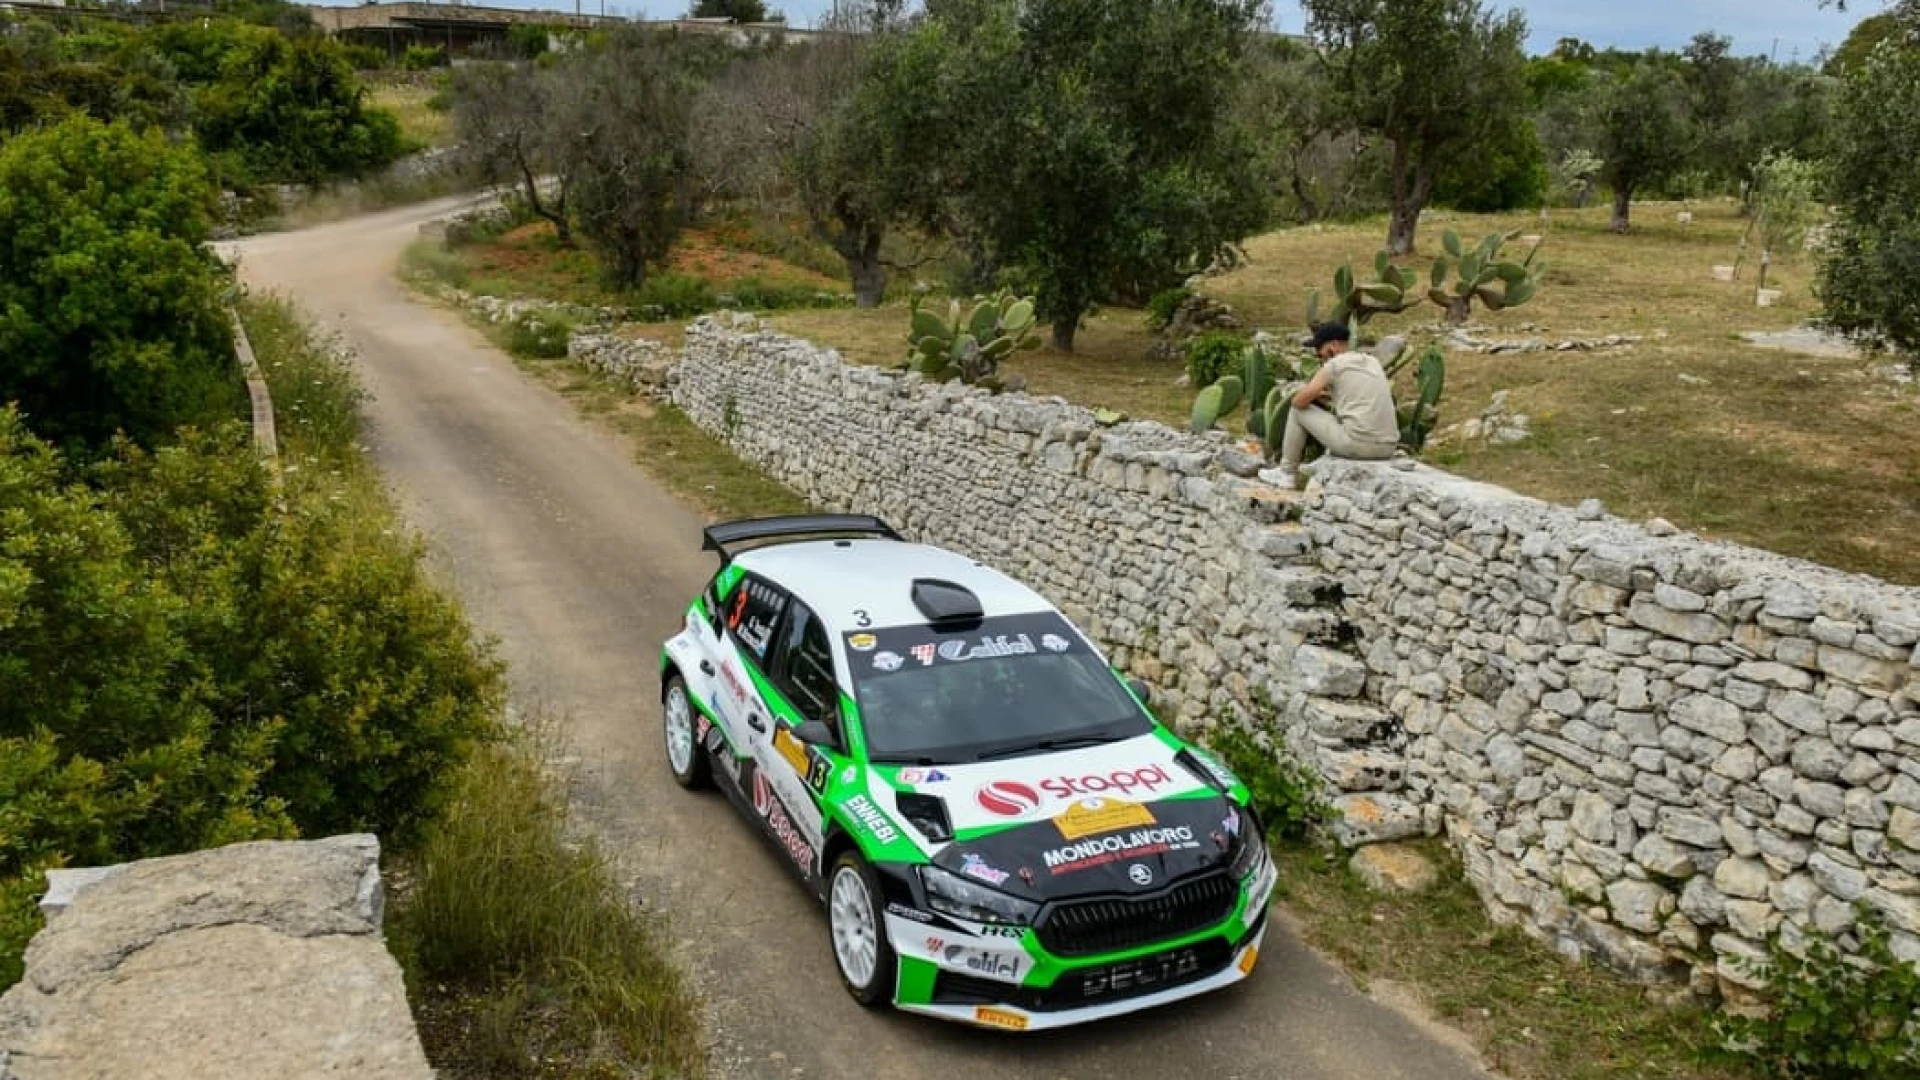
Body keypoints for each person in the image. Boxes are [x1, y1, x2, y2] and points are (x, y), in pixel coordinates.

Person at [1258, 322, 1400, 490]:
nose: (1319, 354)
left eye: (1321, 348)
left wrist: (1312, 394)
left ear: (1334, 344)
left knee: (1298, 412)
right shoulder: (1372, 362)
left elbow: (1298, 401)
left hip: (1358, 445)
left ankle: (1287, 473)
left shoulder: (1334, 365)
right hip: (1388, 447)